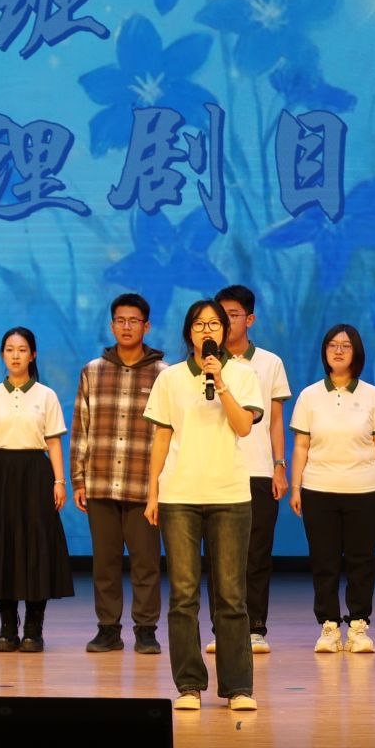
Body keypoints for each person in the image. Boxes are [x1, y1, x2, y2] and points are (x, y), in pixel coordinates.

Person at [143, 300, 261, 711]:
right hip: (179, 496)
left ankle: (238, 687)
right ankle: (189, 685)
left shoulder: (242, 374)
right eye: (199, 324)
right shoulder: (170, 378)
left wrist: (221, 382)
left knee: (230, 595)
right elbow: (161, 438)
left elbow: (243, 426)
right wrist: (153, 492)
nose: (206, 330)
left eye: (214, 323)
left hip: (229, 495)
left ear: (225, 330)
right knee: (183, 595)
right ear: (189, 333)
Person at [289, 324, 375, 655]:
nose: (338, 351)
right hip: (318, 488)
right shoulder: (309, 396)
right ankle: (329, 626)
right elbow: (301, 446)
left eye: (345, 346)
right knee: (324, 562)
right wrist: (296, 487)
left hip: (364, 489)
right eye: (332, 345)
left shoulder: (373, 396)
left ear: (356, 353)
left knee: (362, 561)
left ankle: (359, 626)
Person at [71, 293, 166, 654]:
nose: (127, 327)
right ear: (112, 326)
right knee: (105, 563)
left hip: (144, 486)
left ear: (146, 326)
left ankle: (146, 630)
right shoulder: (92, 371)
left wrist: (163, 484)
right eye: (120, 320)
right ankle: (108, 629)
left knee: (146, 564)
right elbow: (81, 427)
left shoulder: (164, 374)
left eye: (134, 321)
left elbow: (170, 433)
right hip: (100, 481)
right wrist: (78, 478)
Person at [0, 327, 72, 654]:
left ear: (32, 355)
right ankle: (7, 627)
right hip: (0, 474)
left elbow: (53, 441)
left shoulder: (46, 395)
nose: (16, 355)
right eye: (10, 349)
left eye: (22, 349)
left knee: (36, 546)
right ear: (2, 354)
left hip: (36, 474)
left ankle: (34, 629)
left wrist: (59, 481)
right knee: (3, 547)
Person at [216, 285, 293, 655]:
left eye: (232, 315)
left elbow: (275, 421)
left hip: (259, 469)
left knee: (257, 553)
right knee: (220, 556)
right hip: (216, 470)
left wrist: (279, 465)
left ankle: (255, 627)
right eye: (220, 315)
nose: (225, 322)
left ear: (249, 319)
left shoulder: (269, 362)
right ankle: (222, 629)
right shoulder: (205, 363)